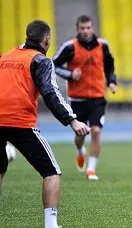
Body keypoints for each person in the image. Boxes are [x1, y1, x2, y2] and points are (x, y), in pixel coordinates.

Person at [0, 20, 89, 228]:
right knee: (51, 171)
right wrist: (72, 121)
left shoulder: (4, 57)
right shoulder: (40, 60)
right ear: (46, 39)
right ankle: (51, 224)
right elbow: (51, 93)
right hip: (20, 123)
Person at [53, 15, 117, 181]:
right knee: (80, 135)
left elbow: (109, 64)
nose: (86, 31)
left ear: (92, 28)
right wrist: (70, 74)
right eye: (82, 28)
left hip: (97, 97)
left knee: (96, 131)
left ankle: (91, 169)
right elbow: (54, 65)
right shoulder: (69, 47)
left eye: (88, 28)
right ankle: (80, 151)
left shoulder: (103, 45)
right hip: (77, 99)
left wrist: (111, 81)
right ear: (78, 29)